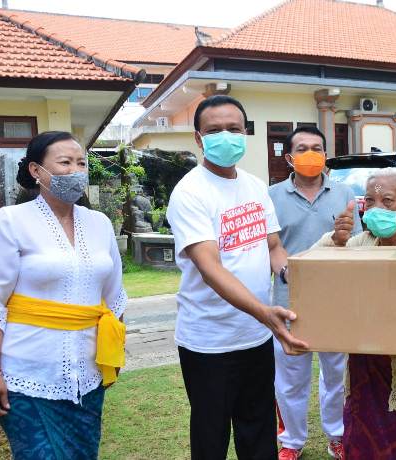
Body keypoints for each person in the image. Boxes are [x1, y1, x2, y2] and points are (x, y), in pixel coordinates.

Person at [166, 95, 308, 460]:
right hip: (209, 342)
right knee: (211, 438)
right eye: (214, 130)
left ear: (245, 133)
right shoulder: (190, 193)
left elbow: (274, 246)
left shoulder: (255, 185)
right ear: (199, 139)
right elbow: (210, 268)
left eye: (233, 129)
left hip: (256, 338)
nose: (225, 136)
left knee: (258, 431)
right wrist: (265, 313)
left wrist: (291, 273)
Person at [0, 131, 127, 459]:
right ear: (36, 170)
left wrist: (114, 355)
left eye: (81, 163)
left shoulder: (100, 223)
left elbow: (115, 298)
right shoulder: (10, 222)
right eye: (65, 162)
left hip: (89, 376)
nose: (75, 170)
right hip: (25, 376)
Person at [314, 167, 396, 459]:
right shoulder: (363, 243)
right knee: (362, 444)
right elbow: (314, 266)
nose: (376, 209)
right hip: (366, 367)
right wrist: (336, 241)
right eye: (370, 202)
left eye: (387, 200)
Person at [269, 126, 362, 460]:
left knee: (336, 375)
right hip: (288, 302)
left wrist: (342, 241)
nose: (311, 154)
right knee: (290, 378)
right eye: (303, 148)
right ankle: (291, 442)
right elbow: (271, 247)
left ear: (326, 155)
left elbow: (358, 244)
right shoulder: (272, 196)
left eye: (317, 148)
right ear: (289, 158)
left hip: (335, 303)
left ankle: (337, 435)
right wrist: (284, 271)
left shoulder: (344, 194)